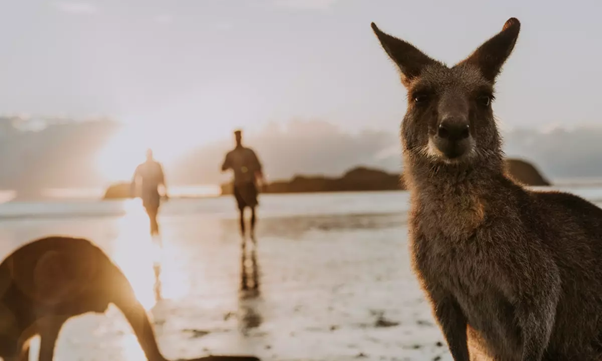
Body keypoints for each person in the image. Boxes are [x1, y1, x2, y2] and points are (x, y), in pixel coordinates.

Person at [221, 129, 264, 237]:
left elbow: (259, 167)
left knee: (253, 209)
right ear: (234, 138)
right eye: (236, 136)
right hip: (238, 185)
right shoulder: (231, 154)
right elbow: (223, 168)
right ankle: (244, 236)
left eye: (239, 136)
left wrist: (262, 181)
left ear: (241, 137)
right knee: (241, 212)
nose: (238, 138)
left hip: (249, 184)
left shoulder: (249, 152)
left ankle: (252, 233)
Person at [131, 149, 168, 235]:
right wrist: (133, 192)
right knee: (151, 213)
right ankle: (154, 230)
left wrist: (165, 192)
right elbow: (135, 179)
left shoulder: (156, 166)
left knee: (153, 213)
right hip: (147, 193)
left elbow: (162, 179)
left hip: (152, 193)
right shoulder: (145, 166)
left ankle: (154, 231)